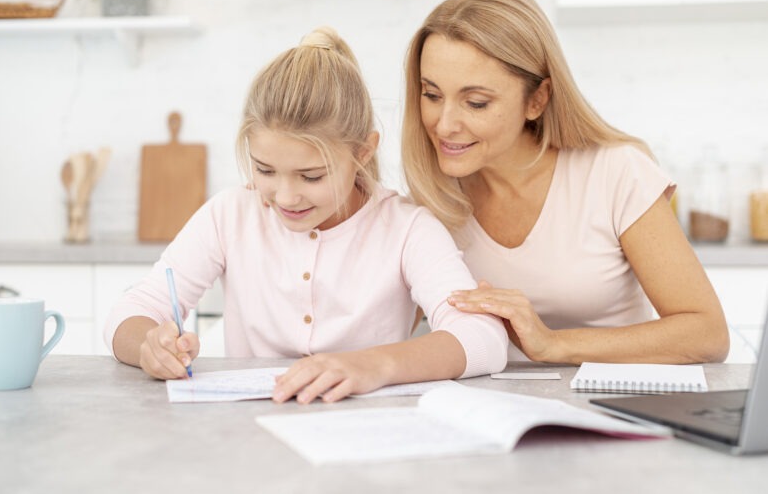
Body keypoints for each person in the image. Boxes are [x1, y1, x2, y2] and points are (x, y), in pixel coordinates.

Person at [105, 27, 508, 403]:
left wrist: (374, 364)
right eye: (264, 170)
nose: (285, 196)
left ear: (363, 152)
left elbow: (483, 338)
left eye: (311, 176)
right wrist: (149, 346)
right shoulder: (230, 214)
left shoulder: (407, 228)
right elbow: (131, 311)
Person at [401, 0, 729, 364]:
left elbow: (707, 334)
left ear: (537, 99)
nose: (444, 125)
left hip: (611, 406)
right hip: (488, 409)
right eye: (432, 95)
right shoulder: (430, 198)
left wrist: (552, 344)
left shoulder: (615, 173)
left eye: (475, 102)